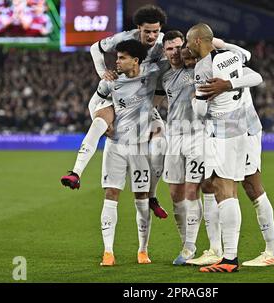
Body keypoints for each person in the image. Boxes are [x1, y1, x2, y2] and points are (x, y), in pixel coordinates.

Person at [60, 5, 168, 218]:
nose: (152, 35)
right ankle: (76, 173)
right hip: (117, 92)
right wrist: (103, 73)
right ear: (138, 28)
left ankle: (153, 196)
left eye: (156, 31)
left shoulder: (165, 44)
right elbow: (94, 48)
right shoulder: (124, 38)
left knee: (161, 139)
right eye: (147, 31)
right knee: (99, 123)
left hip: (141, 99)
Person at [190, 47, 274, 267]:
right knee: (212, 184)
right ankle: (217, 249)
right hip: (224, 132)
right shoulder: (209, 66)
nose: (183, 52)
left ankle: (269, 252)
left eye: (186, 47)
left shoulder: (221, 64)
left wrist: (220, 87)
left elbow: (255, 75)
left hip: (243, 130)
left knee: (248, 187)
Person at [90, 39, 163, 266]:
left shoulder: (152, 75)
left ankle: (143, 250)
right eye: (116, 57)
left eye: (122, 58)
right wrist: (101, 120)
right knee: (111, 194)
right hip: (115, 146)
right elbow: (95, 103)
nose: (117, 62)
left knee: (141, 199)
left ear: (136, 61)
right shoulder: (111, 82)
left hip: (140, 148)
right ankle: (108, 252)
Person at [186, 23, 249, 273]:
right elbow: (250, 66)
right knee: (228, 188)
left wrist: (194, 99)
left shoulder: (203, 67)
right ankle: (228, 256)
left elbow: (201, 111)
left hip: (220, 128)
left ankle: (230, 259)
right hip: (238, 124)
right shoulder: (230, 56)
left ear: (200, 40)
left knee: (223, 189)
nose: (188, 46)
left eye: (190, 41)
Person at [157, 31, 205, 265]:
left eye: (178, 47)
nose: (175, 52)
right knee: (175, 193)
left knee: (192, 191)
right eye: (169, 49)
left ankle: (190, 247)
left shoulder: (197, 69)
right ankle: (185, 241)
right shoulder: (164, 78)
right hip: (173, 137)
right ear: (165, 52)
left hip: (196, 136)